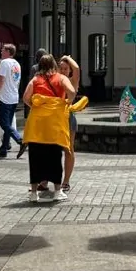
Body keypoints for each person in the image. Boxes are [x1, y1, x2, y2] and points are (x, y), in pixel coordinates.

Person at [21, 53, 87, 201]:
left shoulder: (35, 79)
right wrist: (65, 104)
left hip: (37, 125)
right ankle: (58, 191)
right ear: (54, 66)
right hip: (55, 124)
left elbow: (25, 97)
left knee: (36, 156)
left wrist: (36, 106)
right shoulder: (61, 78)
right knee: (55, 156)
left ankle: (33, 193)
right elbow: (71, 93)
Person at [0, 42, 23, 158]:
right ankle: (3, 149)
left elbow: (1, 80)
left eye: (3, 50)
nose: (1, 51)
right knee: (8, 123)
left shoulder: (4, 63)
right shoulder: (17, 64)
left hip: (5, 98)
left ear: (8, 52)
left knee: (4, 124)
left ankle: (20, 140)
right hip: (14, 97)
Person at [57, 54, 82, 197]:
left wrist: (66, 57)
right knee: (53, 149)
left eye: (66, 68)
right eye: (60, 68)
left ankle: (65, 181)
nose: (63, 71)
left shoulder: (73, 81)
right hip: (55, 118)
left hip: (68, 117)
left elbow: (77, 68)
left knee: (68, 149)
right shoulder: (56, 81)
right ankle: (47, 180)